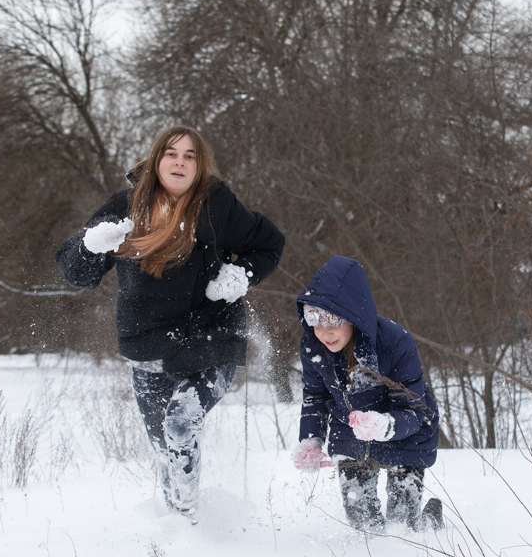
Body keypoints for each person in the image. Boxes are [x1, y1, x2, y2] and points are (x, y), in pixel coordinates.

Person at [56, 125, 285, 522]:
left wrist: (240, 275)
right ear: (157, 159)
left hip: (209, 339)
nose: (180, 161)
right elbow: (77, 272)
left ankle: (191, 529)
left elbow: (270, 243)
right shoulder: (126, 207)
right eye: (172, 153)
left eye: (190, 156)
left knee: (180, 425)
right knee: (165, 450)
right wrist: (90, 246)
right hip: (147, 347)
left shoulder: (217, 206)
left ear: (200, 166)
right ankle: (185, 527)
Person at [291, 255, 443, 532]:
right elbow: (315, 396)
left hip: (406, 430)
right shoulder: (312, 345)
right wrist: (311, 440)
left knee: (402, 528)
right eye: (316, 321)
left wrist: (385, 425)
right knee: (363, 524)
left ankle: (430, 520)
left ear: (354, 317)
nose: (325, 333)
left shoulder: (395, 342)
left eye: (333, 322)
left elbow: (414, 409)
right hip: (349, 430)